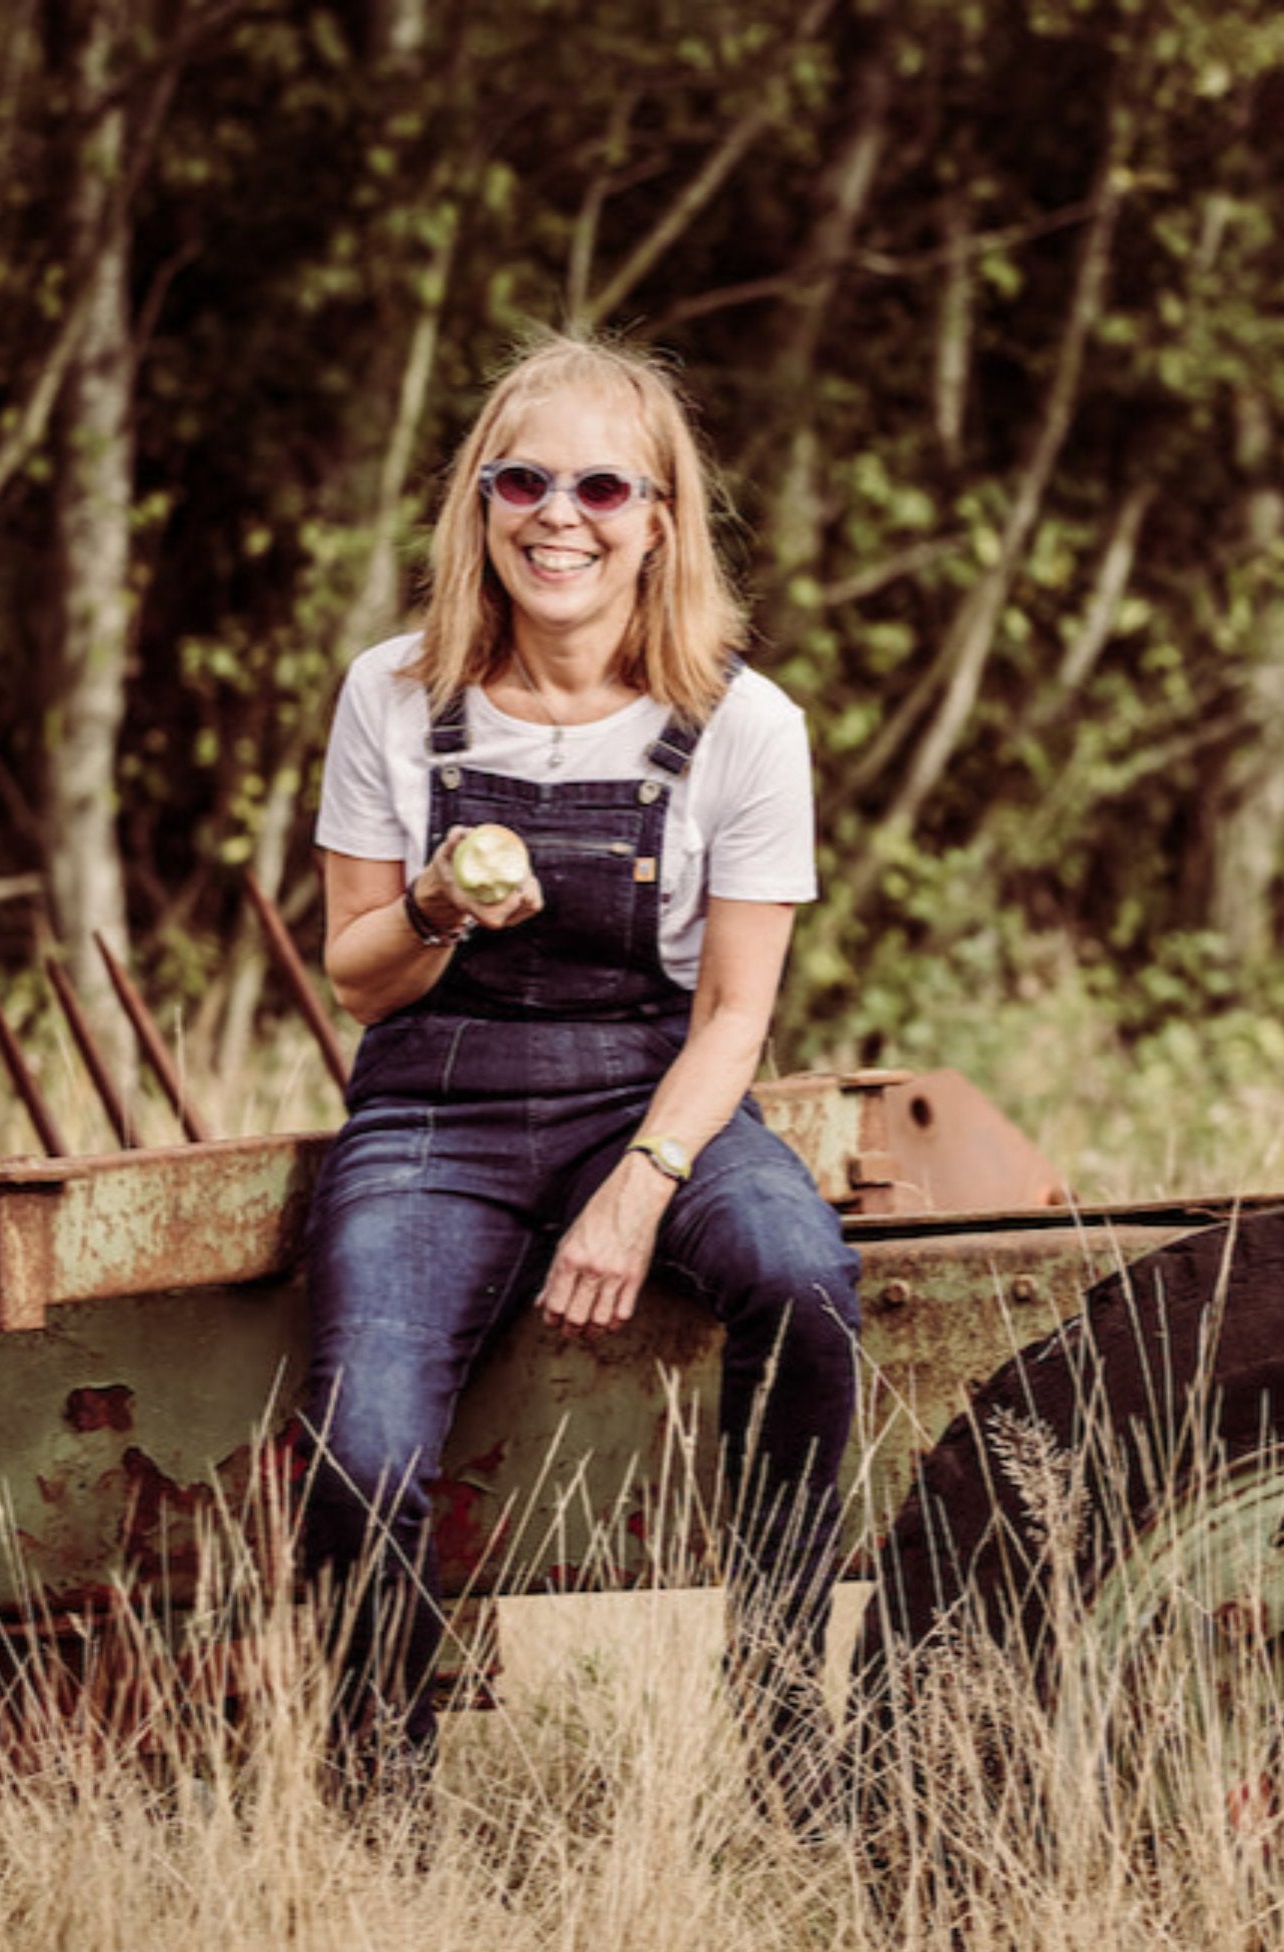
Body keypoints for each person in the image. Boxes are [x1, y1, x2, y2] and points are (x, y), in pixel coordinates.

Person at [298, 331, 862, 1825]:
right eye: (523, 479)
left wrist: (639, 1188)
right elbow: (353, 973)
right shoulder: (398, 696)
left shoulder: (743, 725)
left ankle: (790, 1705)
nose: (562, 515)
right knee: (360, 1445)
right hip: (436, 1101)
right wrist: (430, 904)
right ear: (479, 505)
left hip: (649, 1084)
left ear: (660, 518)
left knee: (801, 1275)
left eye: (604, 486)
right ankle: (379, 1790)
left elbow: (737, 1014)